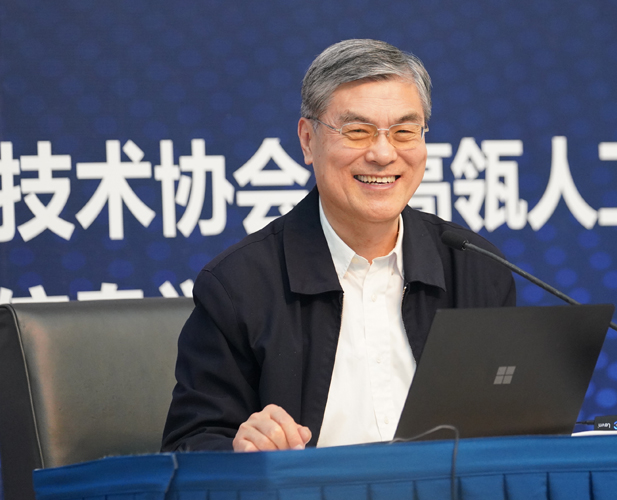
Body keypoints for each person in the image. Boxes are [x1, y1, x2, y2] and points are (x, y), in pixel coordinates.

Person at [161, 39, 515, 453]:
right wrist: (242, 451)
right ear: (307, 140)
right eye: (358, 131)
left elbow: (511, 433)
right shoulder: (239, 287)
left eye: (404, 132)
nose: (383, 154)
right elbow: (188, 446)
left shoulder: (474, 268)